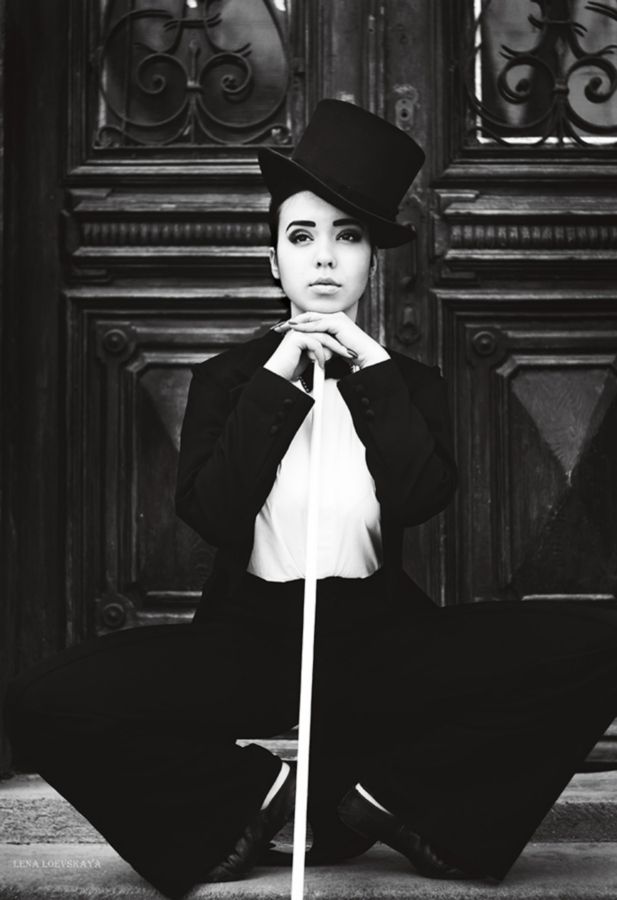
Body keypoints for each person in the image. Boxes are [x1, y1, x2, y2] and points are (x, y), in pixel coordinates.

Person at [4, 99, 617, 899]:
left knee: (598, 645)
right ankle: (250, 804)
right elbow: (214, 514)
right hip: (249, 641)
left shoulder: (408, 384)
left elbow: (420, 497)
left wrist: (371, 372)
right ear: (273, 262)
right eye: (301, 236)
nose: (324, 256)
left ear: (371, 262)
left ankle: (399, 801)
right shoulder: (228, 380)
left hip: (377, 643)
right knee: (42, 700)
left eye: (347, 236)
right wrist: (277, 378)